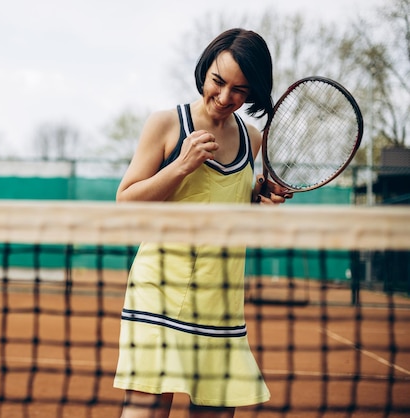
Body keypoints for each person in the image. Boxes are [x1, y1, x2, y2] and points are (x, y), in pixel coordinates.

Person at [113, 28, 292, 418]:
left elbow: (231, 206)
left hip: (221, 305)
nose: (226, 97)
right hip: (158, 294)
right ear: (205, 68)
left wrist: (261, 199)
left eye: (241, 90)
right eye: (218, 81)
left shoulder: (254, 140)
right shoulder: (166, 124)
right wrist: (180, 166)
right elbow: (125, 202)